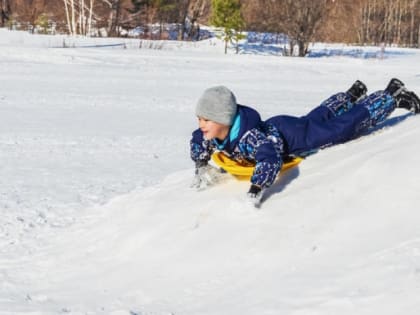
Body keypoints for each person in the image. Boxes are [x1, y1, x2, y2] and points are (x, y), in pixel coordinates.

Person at [190, 79, 420, 205]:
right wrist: (201, 164)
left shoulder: (250, 138)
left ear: (224, 119)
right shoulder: (214, 133)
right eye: (200, 118)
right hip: (282, 125)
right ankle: (350, 95)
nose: (201, 125)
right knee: (314, 118)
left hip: (296, 138)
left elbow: (269, 158)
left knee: (340, 129)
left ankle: (391, 96)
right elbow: (198, 140)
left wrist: (256, 187)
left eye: (207, 120)